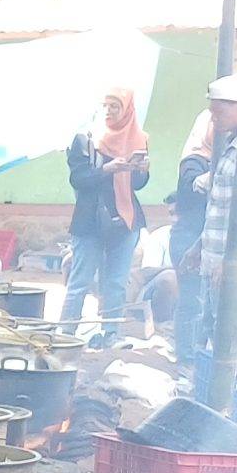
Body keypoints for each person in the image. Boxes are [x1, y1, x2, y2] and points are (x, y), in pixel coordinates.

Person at [63, 86, 151, 337]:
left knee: (115, 283)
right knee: (79, 282)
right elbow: (78, 179)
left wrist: (141, 170)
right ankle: (65, 335)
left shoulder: (138, 138)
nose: (109, 111)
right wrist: (107, 169)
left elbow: (137, 185)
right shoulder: (85, 139)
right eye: (105, 105)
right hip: (90, 220)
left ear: (127, 110)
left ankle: (110, 334)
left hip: (125, 220)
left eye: (115, 106)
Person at [167, 78, 237, 365]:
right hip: (192, 237)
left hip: (208, 242)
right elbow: (192, 187)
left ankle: (198, 359)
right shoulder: (194, 160)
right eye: (212, 119)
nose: (216, 123)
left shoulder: (231, 155)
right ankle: (187, 358)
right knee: (193, 302)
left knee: (210, 308)